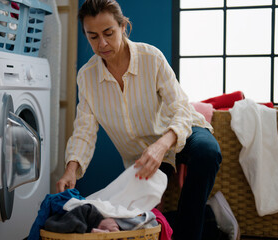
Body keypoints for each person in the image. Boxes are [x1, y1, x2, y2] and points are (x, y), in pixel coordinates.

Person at [56, 0, 222, 239]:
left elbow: (181, 108)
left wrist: (163, 144)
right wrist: (71, 169)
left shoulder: (151, 57)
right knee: (139, 215)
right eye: (92, 36)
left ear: (123, 26)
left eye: (108, 33)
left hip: (177, 132)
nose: (102, 43)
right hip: (141, 154)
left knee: (207, 152)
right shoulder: (87, 77)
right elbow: (84, 130)